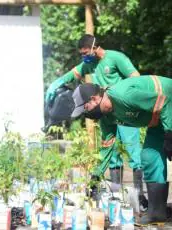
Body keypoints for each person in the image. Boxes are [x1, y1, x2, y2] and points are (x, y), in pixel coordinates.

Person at [70, 75, 172, 229]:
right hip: (159, 117)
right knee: (149, 156)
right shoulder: (106, 117)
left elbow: (164, 102)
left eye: (85, 109)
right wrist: (96, 175)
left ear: (94, 99)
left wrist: (169, 135)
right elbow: (107, 146)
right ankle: (157, 212)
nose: (86, 115)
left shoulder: (124, 95)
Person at [45, 34, 148, 211]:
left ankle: (140, 196)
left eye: (86, 53)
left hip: (124, 111)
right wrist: (58, 82)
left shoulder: (116, 58)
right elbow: (73, 74)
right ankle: (116, 195)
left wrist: (113, 90)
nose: (84, 57)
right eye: (82, 54)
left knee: (133, 152)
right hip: (105, 114)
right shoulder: (88, 64)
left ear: (95, 47)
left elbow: (136, 78)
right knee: (111, 153)